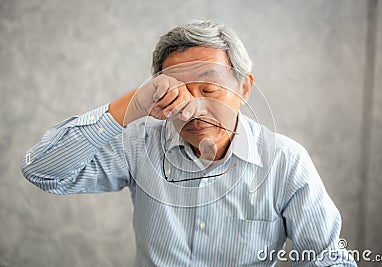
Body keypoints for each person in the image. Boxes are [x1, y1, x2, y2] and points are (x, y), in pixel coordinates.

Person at [21, 20, 356, 266]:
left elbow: (326, 259)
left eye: (209, 90)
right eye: (176, 92)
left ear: (244, 89)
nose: (193, 108)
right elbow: (43, 172)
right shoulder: (141, 143)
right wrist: (130, 107)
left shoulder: (286, 161)